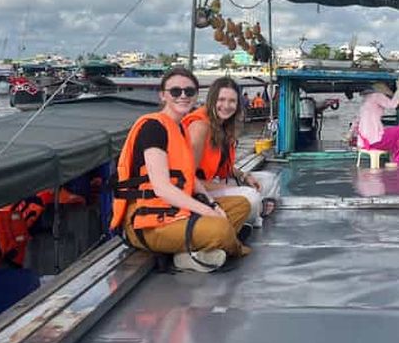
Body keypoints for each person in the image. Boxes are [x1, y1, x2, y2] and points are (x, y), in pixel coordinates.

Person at [110, 67, 251, 273]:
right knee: (220, 228)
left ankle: (187, 253)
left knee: (241, 206)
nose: (183, 96)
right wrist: (205, 211)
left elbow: (189, 178)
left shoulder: (180, 129)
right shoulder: (153, 128)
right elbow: (162, 188)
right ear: (163, 95)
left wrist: (212, 204)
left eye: (189, 91)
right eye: (175, 91)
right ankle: (230, 247)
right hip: (147, 220)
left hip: (176, 211)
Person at [183, 77, 278, 230]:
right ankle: (252, 215)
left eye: (232, 101)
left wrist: (243, 175)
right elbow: (188, 180)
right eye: (221, 100)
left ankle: (252, 214)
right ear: (212, 100)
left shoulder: (223, 126)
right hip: (197, 193)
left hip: (213, 183)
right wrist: (220, 187)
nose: (226, 106)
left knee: (269, 179)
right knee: (250, 197)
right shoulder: (199, 127)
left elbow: (222, 163)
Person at [356, 77, 399, 165]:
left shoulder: (365, 101)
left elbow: (356, 121)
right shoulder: (376, 95)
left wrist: (349, 135)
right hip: (375, 141)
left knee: (396, 132)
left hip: (364, 142)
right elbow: (392, 105)